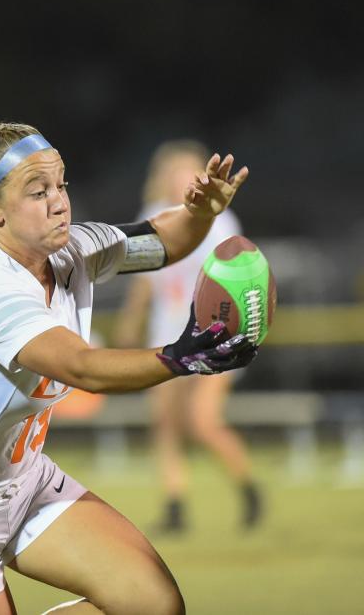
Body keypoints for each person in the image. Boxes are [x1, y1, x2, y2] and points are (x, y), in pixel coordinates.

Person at [0, 28, 257, 615]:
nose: (60, 201)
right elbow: (82, 366)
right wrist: (180, 356)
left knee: (151, 603)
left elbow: (162, 241)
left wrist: (200, 211)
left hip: (23, 482)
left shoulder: (72, 249)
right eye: (38, 191)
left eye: (61, 184)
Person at [114, 140, 261, 533]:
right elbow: (147, 276)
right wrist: (132, 319)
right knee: (165, 422)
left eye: (186, 171)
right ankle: (175, 505)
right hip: (167, 334)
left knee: (202, 421)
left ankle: (249, 489)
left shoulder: (220, 220)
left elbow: (238, 279)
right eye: (173, 172)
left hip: (213, 334)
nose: (180, 179)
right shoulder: (153, 216)